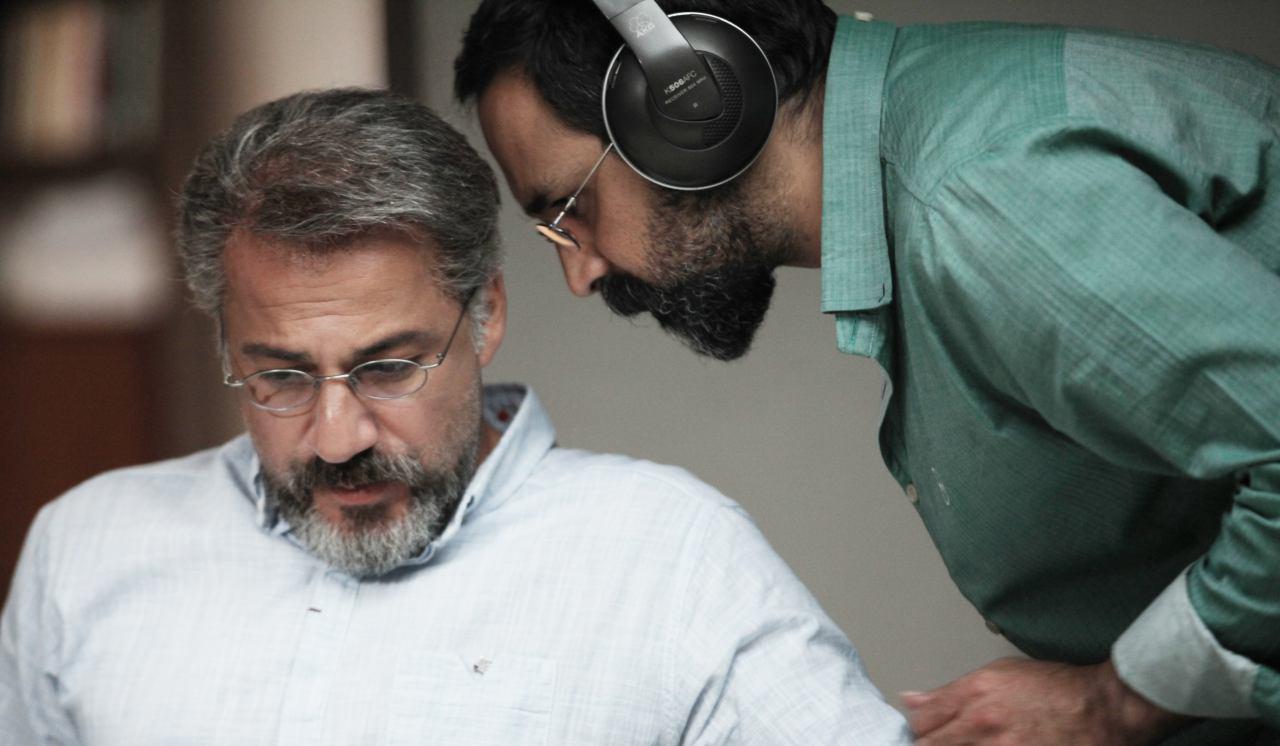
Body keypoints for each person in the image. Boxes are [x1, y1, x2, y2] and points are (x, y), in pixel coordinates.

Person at [454, 1, 1280, 743]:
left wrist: (1114, 702)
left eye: (570, 211)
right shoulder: (944, 158)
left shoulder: (975, 202)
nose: (581, 274)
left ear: (689, 107)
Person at [0, 88, 911, 744]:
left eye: (389, 368)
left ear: (487, 315)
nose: (338, 439)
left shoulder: (673, 560)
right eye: (280, 376)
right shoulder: (87, 551)